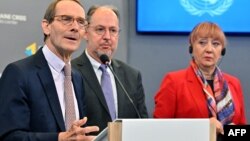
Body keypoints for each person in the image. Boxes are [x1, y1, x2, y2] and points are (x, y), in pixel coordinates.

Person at [0, 0, 99, 141]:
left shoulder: (77, 78)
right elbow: (9, 137)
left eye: (81, 22)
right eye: (66, 19)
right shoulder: (18, 73)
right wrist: (59, 138)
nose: (75, 27)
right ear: (46, 26)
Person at [154, 22, 246, 139]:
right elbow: (158, 130)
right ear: (191, 48)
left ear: (222, 51)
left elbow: (243, 132)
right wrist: (203, 127)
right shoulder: (174, 81)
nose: (209, 49)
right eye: (202, 43)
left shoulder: (234, 83)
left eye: (215, 44)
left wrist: (232, 132)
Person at [72, 5, 148, 135]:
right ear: (85, 32)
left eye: (113, 30)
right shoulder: (70, 72)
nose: (107, 36)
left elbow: (143, 124)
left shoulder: (132, 76)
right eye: (100, 29)